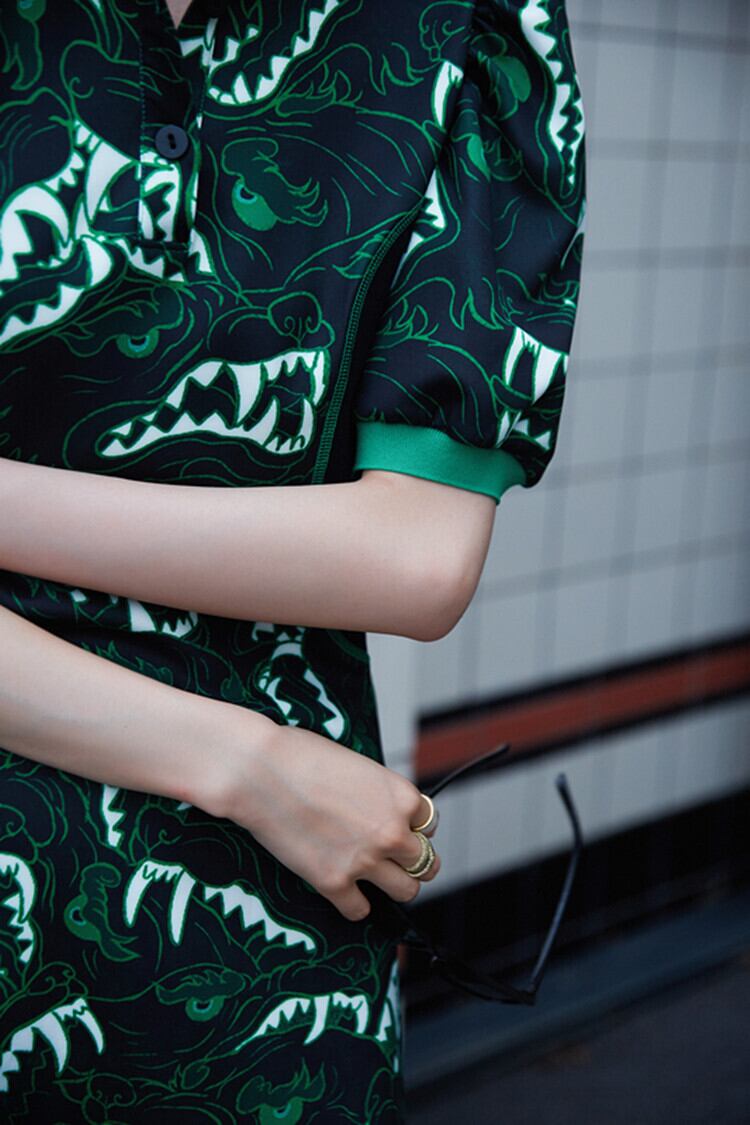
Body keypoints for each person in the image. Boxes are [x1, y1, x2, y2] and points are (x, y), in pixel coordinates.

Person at [0, 0, 586, 1119]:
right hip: (290, 801)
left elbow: (415, 557)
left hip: (251, 944)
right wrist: (247, 761)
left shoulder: (459, 27)